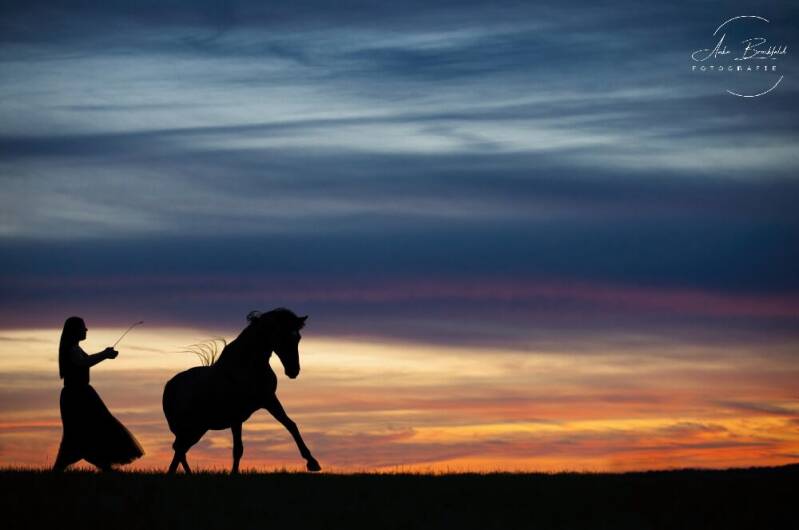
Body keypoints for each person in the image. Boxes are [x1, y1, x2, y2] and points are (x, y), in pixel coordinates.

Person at [53, 316, 144, 471]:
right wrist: (104, 354)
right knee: (86, 431)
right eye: (83, 327)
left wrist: (105, 355)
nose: (86, 330)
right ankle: (100, 466)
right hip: (77, 396)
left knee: (90, 430)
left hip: (80, 394)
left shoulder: (75, 348)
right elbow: (83, 362)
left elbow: (86, 360)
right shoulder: (72, 349)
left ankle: (102, 466)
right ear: (75, 331)